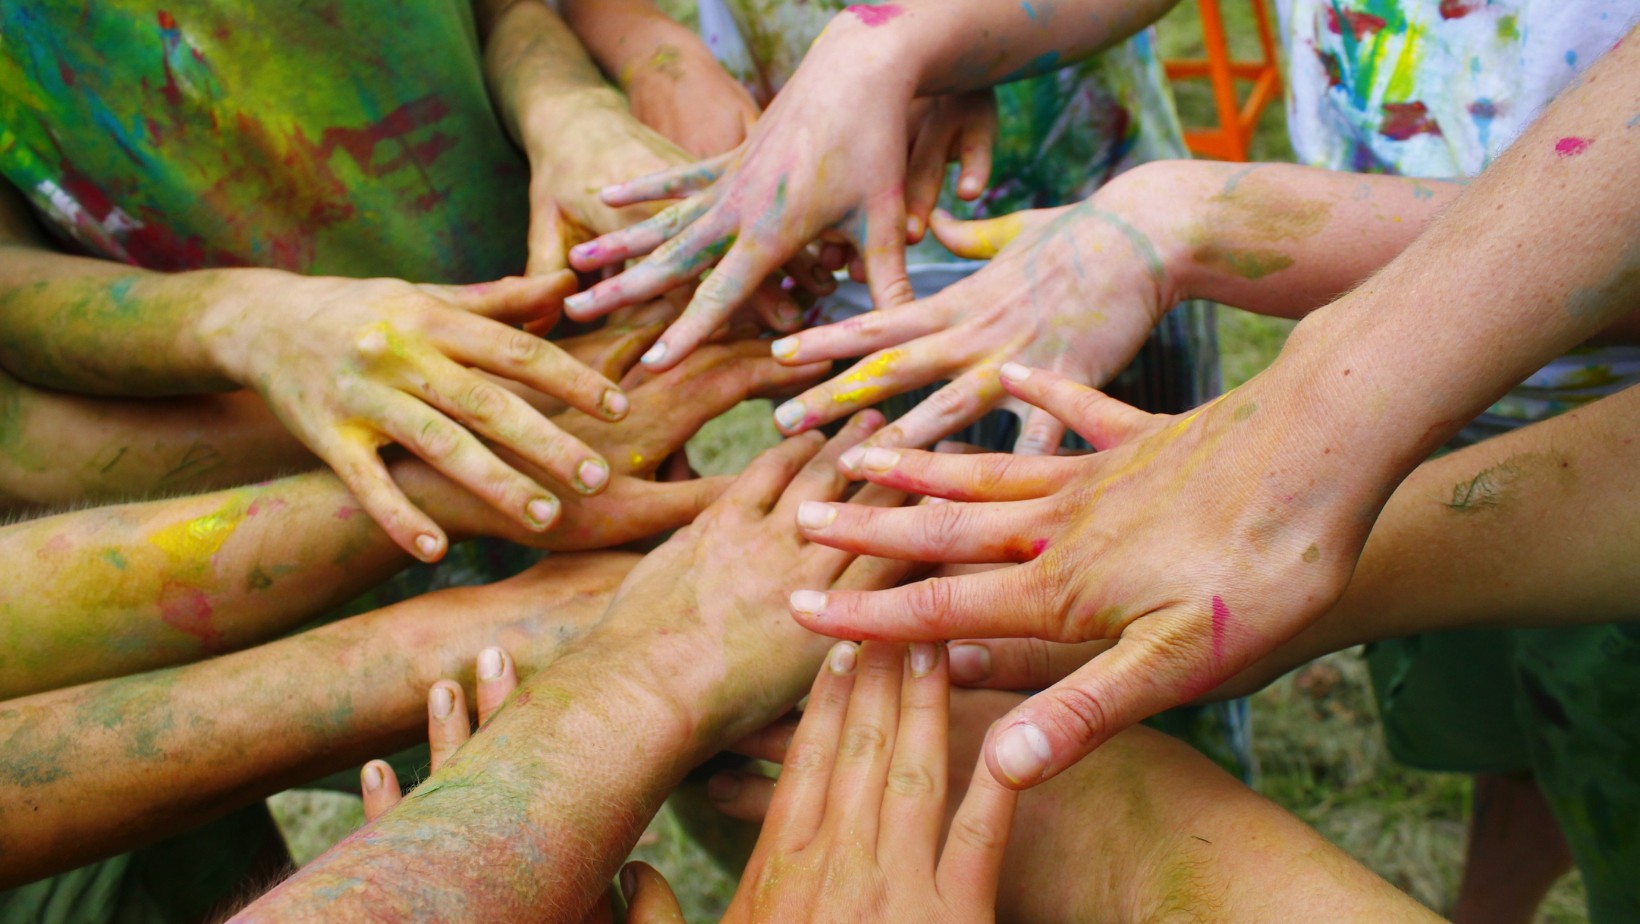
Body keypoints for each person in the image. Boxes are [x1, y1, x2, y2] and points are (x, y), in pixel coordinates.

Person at [781, 18, 1640, 800]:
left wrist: (1211, 240)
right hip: (1437, 440)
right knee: (1500, 722)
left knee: (1604, 750)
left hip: (1584, 436)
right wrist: (907, 41)